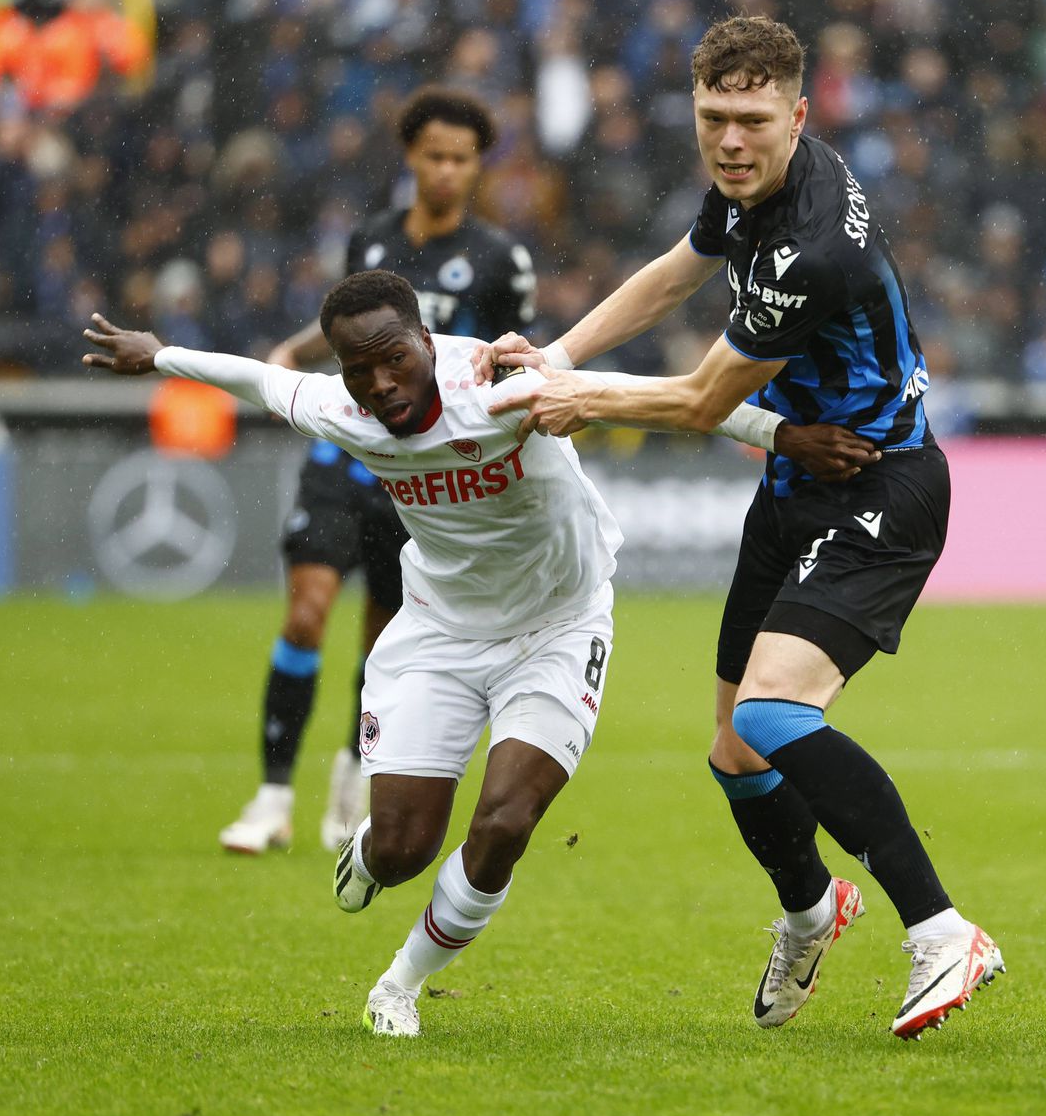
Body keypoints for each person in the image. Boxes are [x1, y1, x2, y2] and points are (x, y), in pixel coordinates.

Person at [82, 270, 871, 1036]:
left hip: (560, 627)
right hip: (440, 635)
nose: (382, 382)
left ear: (426, 340)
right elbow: (255, 378)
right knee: (400, 851)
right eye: (361, 370)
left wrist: (785, 436)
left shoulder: (502, 386)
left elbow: (658, 397)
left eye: (395, 357)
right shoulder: (340, 409)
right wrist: (157, 355)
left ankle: (400, 984)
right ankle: (372, 850)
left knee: (504, 820)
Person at [484, 16, 1001, 1039]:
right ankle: (813, 910)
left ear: (798, 117)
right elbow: (677, 268)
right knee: (734, 750)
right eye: (714, 116)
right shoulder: (749, 190)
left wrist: (577, 393)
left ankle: (943, 929)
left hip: (879, 489)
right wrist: (558, 346)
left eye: (753, 120)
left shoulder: (814, 245)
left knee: (771, 714)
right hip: (795, 483)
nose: (730, 140)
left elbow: (701, 402)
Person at [220, 88, 537, 857]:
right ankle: (269, 797)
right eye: (435, 155)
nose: (448, 171)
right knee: (305, 613)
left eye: (463, 159)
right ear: (411, 157)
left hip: (424, 472)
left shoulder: (501, 259)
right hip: (348, 452)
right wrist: (295, 353)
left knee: (384, 643)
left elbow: (515, 355)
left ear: (477, 166)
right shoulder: (370, 238)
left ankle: (353, 777)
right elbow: (354, 330)